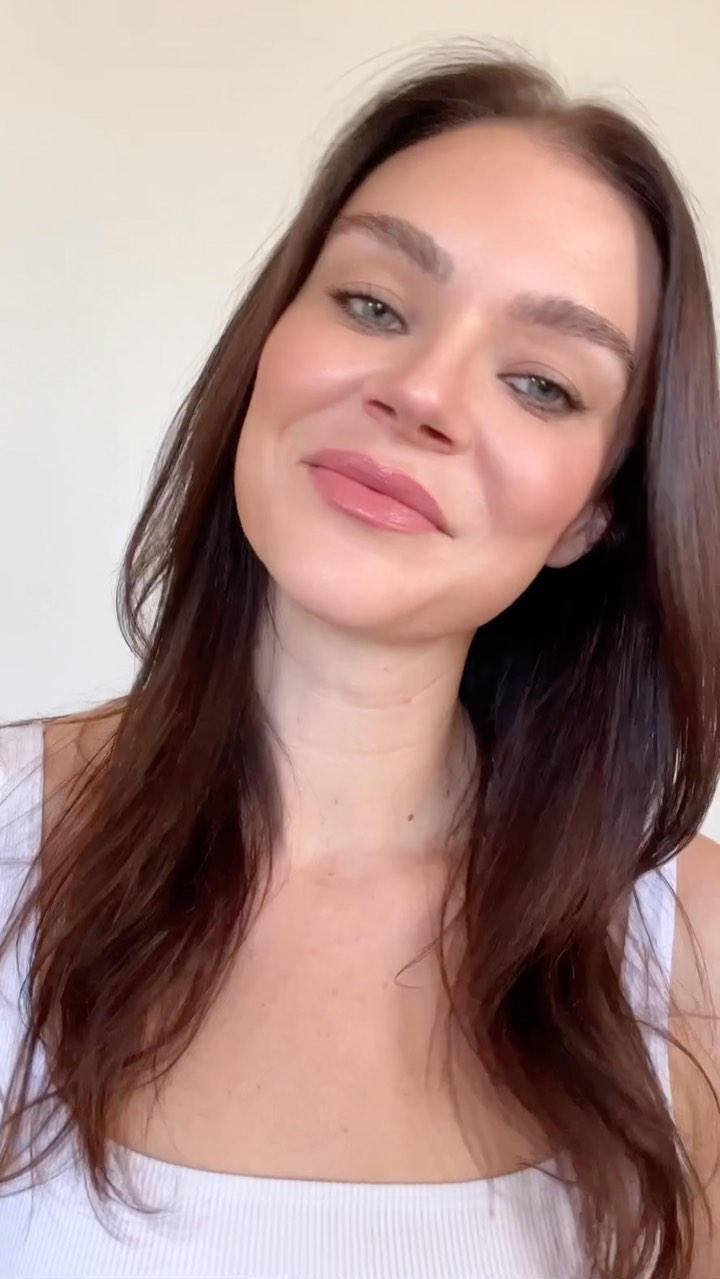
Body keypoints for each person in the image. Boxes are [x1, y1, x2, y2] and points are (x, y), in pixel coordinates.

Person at [1, 46, 719, 1279]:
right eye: (375, 304)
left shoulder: (693, 949)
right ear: (271, 343)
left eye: (541, 384)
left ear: (596, 517)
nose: (422, 392)